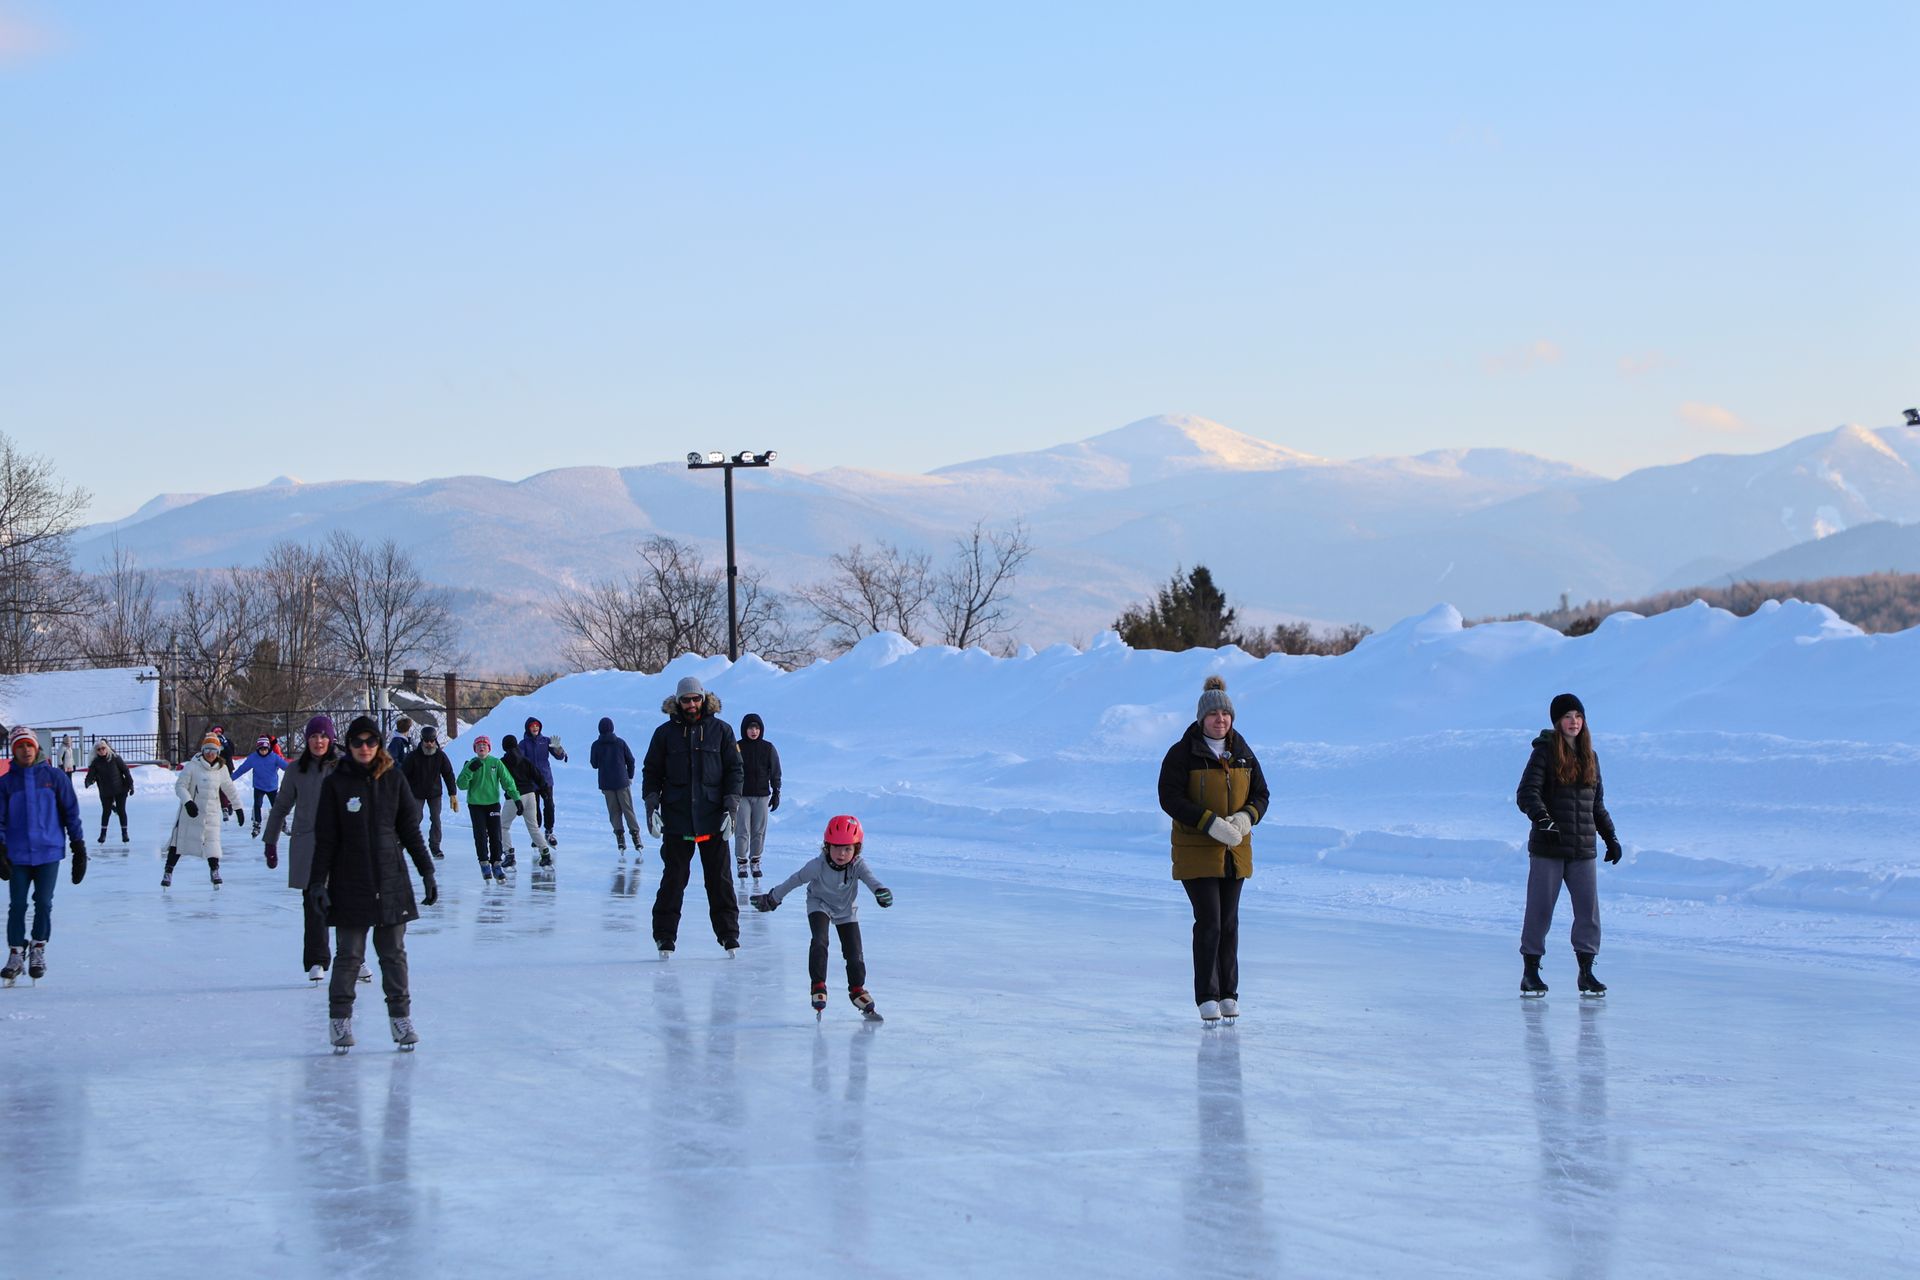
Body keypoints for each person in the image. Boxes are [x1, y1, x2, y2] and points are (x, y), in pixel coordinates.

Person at [308, 715, 437, 1052]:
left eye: (370, 742)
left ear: (379, 744)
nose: (364, 748)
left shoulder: (393, 778)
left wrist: (427, 871)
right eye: (357, 742)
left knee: (393, 955)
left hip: (390, 879)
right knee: (349, 955)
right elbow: (325, 840)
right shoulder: (336, 783)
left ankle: (401, 1019)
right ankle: (340, 1021)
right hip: (350, 882)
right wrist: (317, 884)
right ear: (348, 746)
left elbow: (410, 830)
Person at [1157, 675, 1269, 1026]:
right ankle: (1207, 996)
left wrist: (1244, 818)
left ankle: (1228, 994)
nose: (1220, 719)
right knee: (1210, 922)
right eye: (1213, 714)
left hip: (1234, 851)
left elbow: (1261, 795)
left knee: (1230, 923)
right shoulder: (1182, 753)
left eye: (1226, 714)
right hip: (1197, 851)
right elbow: (1170, 798)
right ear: (1201, 718)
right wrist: (1209, 822)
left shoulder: (1242, 752)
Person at [1515, 693, 1622, 999]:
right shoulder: (1544, 753)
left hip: (1582, 850)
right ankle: (1531, 972)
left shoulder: (1591, 756)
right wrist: (1543, 820)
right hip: (1549, 847)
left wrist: (1610, 837)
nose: (1574, 722)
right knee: (1540, 910)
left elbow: (1596, 806)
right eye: (1567, 717)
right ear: (1556, 722)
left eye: (1578, 716)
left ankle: (1586, 972)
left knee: (1588, 913)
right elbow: (1526, 793)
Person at [751, 814, 892, 1020]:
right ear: (827, 846)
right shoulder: (817, 865)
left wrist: (881, 892)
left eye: (847, 849)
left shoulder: (858, 865)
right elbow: (795, 880)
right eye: (836, 847)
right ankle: (818, 984)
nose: (841, 854)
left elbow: (872, 881)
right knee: (820, 940)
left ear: (856, 849)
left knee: (854, 952)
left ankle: (857, 989)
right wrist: (773, 898)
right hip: (819, 904)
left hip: (846, 910)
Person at [641, 676, 743, 957]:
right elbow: (651, 773)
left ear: (703, 699)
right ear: (678, 702)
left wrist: (730, 809)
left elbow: (735, 772)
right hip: (677, 819)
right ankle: (664, 936)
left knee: (720, 880)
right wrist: (652, 808)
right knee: (674, 878)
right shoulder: (664, 734)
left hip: (713, 819)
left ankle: (728, 935)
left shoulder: (722, 731)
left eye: (695, 699)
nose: (691, 704)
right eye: (686, 700)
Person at [265, 716, 360, 983]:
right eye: (313, 737)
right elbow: (282, 806)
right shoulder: (297, 770)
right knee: (314, 903)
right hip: (309, 844)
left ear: (330, 739)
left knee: (346, 903)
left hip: (342, 844)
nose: (319, 741)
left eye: (323, 736)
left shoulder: (345, 766)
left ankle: (353, 958)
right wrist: (270, 841)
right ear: (307, 741)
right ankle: (317, 960)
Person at [0, 725, 88, 985]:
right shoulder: (6, 783)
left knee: (44, 902)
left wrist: (78, 846)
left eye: (29, 745)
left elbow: (71, 812)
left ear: (37, 747)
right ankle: (16, 952)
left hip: (48, 851)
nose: (25, 750)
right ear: (13, 750)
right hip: (17, 855)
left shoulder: (55, 777)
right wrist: (0, 849)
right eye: (20, 746)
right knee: (17, 905)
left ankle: (38, 948)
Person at [165, 731, 243, 888]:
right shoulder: (193, 766)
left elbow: (229, 788)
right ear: (202, 751)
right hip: (191, 813)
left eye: (213, 750)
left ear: (218, 752)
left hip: (211, 813)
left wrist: (238, 807)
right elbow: (180, 786)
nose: (210, 754)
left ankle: (215, 871)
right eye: (207, 750)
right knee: (180, 842)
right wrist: (188, 802)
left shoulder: (222, 769)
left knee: (212, 843)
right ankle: (168, 871)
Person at [456, 736, 520, 882]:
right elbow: (461, 785)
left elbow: (507, 781)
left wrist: (516, 798)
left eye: (484, 745)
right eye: (478, 745)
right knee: (480, 835)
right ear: (475, 749)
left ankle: (496, 864)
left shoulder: (495, 763)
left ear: (489, 748)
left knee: (495, 834)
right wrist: (469, 771)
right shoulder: (472, 763)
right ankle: (484, 863)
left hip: (492, 804)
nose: (482, 747)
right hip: (476, 805)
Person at [732, 713, 782, 888]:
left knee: (759, 830)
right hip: (742, 795)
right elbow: (730, 769)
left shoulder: (768, 748)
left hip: (761, 794)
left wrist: (776, 791)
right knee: (742, 829)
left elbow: (775, 770)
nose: (754, 731)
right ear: (744, 729)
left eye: (757, 728)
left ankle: (755, 860)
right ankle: (741, 861)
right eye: (750, 728)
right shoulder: (737, 747)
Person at [398, 725, 459, 860]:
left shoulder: (440, 756)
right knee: (415, 818)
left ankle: (435, 846)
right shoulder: (413, 756)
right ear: (421, 740)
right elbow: (402, 775)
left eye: (432, 741)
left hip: (434, 793)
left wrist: (452, 794)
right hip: (416, 793)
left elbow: (448, 774)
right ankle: (401, 843)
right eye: (427, 741)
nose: (429, 744)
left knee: (436, 819)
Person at [589, 716, 643, 858]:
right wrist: (629, 776)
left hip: (606, 783)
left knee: (614, 811)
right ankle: (636, 836)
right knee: (628, 809)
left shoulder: (596, 745)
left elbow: (594, 764)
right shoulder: (620, 743)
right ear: (612, 728)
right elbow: (631, 760)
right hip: (621, 781)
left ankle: (620, 837)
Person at [498, 734, 553, 868]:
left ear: (504, 747)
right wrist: (544, 789)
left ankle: (509, 854)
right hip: (530, 795)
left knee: (503, 827)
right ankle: (545, 853)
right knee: (533, 827)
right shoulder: (524, 759)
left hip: (514, 797)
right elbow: (537, 774)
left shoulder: (503, 762)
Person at [518, 716, 569, 846]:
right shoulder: (523, 744)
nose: (535, 728)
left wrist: (558, 748)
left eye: (537, 726)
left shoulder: (545, 741)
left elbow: (559, 756)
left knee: (549, 805)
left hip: (546, 780)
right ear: (528, 728)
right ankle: (537, 834)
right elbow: (518, 760)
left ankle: (549, 831)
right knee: (534, 808)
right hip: (532, 781)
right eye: (532, 726)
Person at [231, 735, 290, 839]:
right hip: (259, 786)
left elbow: (287, 767)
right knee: (257, 805)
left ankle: (283, 824)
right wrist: (229, 779)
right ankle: (257, 824)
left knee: (277, 806)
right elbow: (242, 769)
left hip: (272, 787)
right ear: (258, 749)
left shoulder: (274, 757)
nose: (263, 751)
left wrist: (298, 772)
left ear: (269, 748)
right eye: (261, 749)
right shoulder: (253, 758)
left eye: (265, 749)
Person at [82, 740, 135, 844]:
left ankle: (124, 833)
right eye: (99, 749)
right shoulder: (96, 763)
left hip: (120, 789)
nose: (102, 751)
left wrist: (131, 785)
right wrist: (88, 782)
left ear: (107, 748)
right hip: (105, 790)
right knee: (106, 812)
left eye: (103, 748)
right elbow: (90, 775)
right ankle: (103, 834)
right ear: (96, 751)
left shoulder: (115, 758)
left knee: (121, 810)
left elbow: (126, 771)